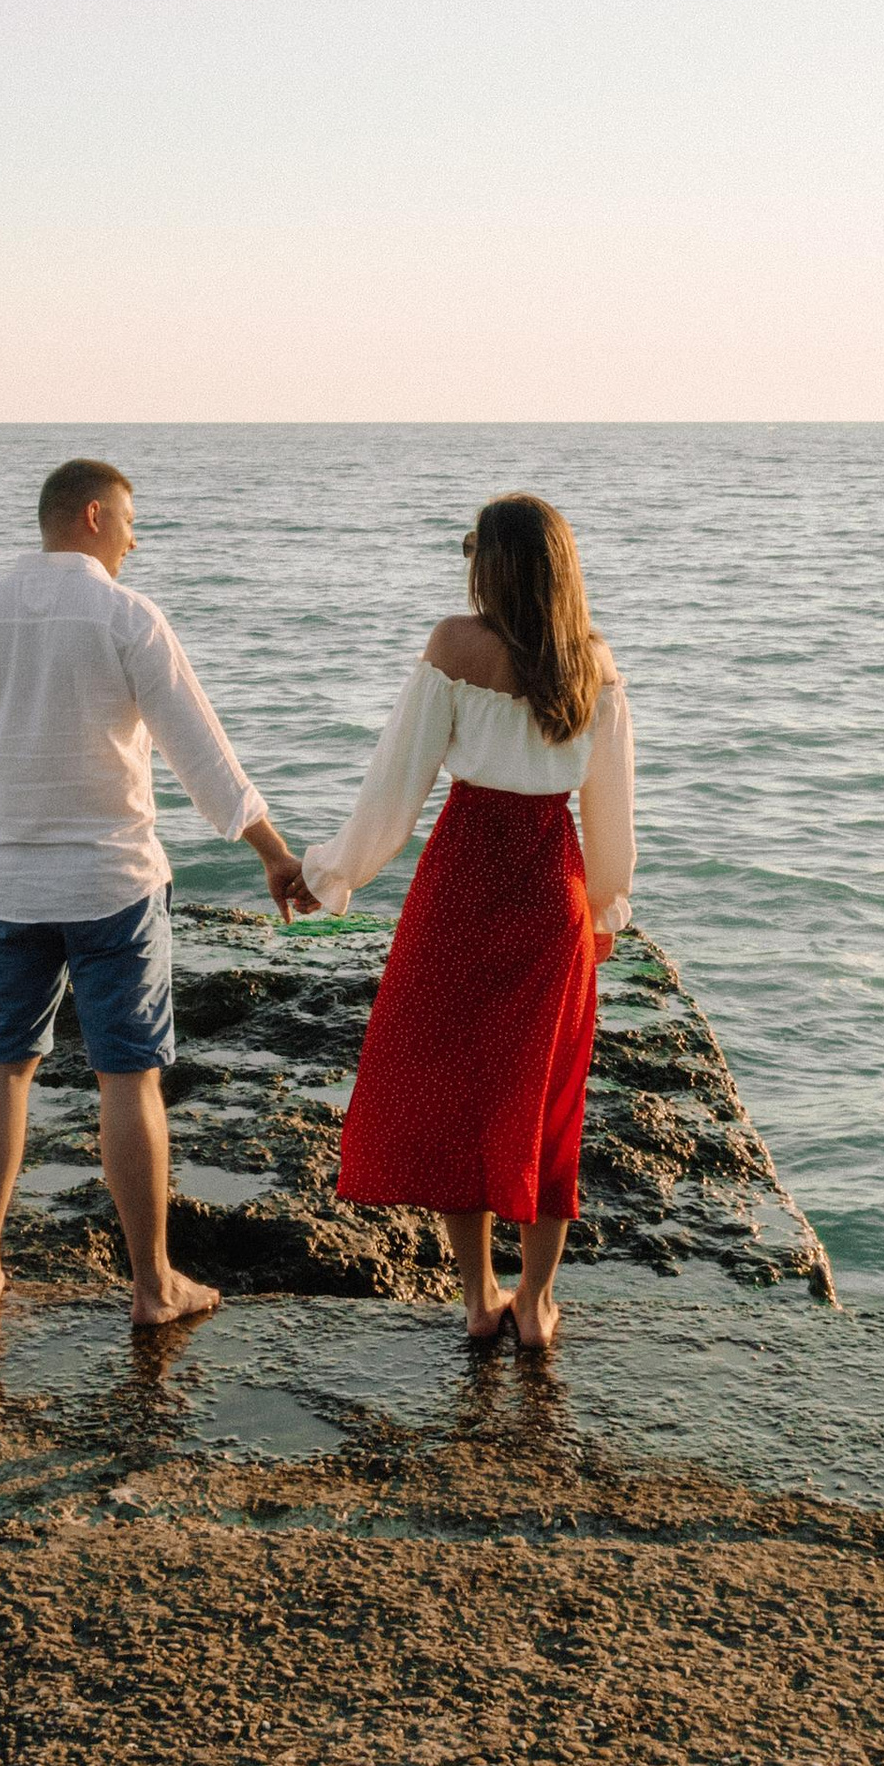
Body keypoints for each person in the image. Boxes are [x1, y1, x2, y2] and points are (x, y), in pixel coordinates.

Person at [0, 456, 314, 1328]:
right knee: (127, 1078)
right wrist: (274, 854)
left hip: (8, 884)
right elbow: (203, 757)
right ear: (94, 515)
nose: (136, 539)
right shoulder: (126, 616)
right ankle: (151, 1285)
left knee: (1, 1065)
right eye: (132, 522)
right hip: (114, 884)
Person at [303, 493, 635, 1355]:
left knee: (455, 1093)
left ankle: (479, 1295)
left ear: (489, 564)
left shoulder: (456, 645)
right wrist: (602, 909)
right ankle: (537, 1300)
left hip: (461, 885)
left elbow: (394, 790)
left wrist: (329, 874)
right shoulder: (594, 665)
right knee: (545, 1103)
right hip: (550, 895)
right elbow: (614, 829)